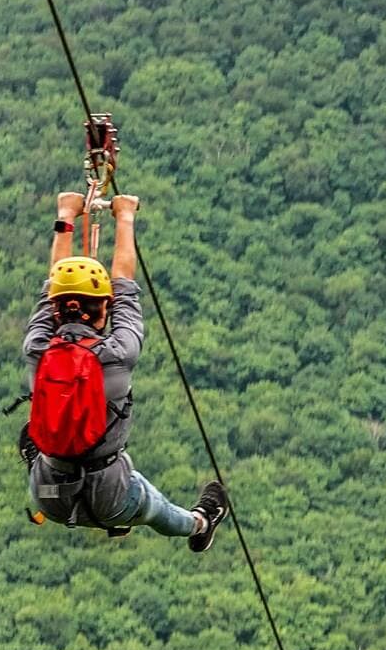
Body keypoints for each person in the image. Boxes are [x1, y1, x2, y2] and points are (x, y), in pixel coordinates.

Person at [18, 190, 229, 551]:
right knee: (158, 508)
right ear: (105, 310)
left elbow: (52, 286)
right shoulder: (118, 353)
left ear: (54, 313)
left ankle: (41, 462)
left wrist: (66, 215)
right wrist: (125, 217)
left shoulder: (37, 349)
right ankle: (201, 523)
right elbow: (125, 288)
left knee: (32, 435)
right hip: (112, 496)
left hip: (49, 497)